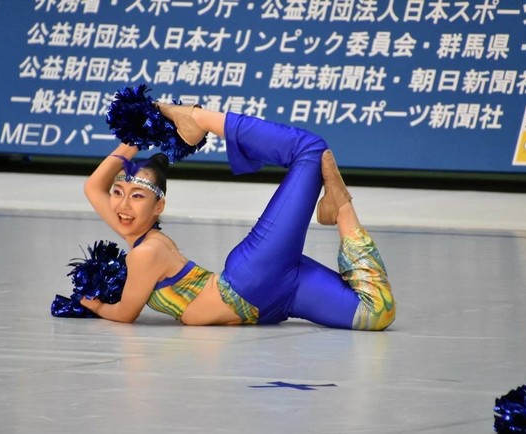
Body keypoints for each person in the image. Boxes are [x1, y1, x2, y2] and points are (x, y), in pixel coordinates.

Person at [79, 103, 396, 330]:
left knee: (311, 149)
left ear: (158, 207)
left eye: (137, 196)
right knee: (375, 313)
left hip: (251, 281)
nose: (123, 206)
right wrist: (137, 136)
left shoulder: (145, 252)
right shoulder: (136, 233)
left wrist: (98, 306)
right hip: (269, 305)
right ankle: (342, 208)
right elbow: (94, 187)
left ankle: (201, 118)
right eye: (117, 193)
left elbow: (126, 313)